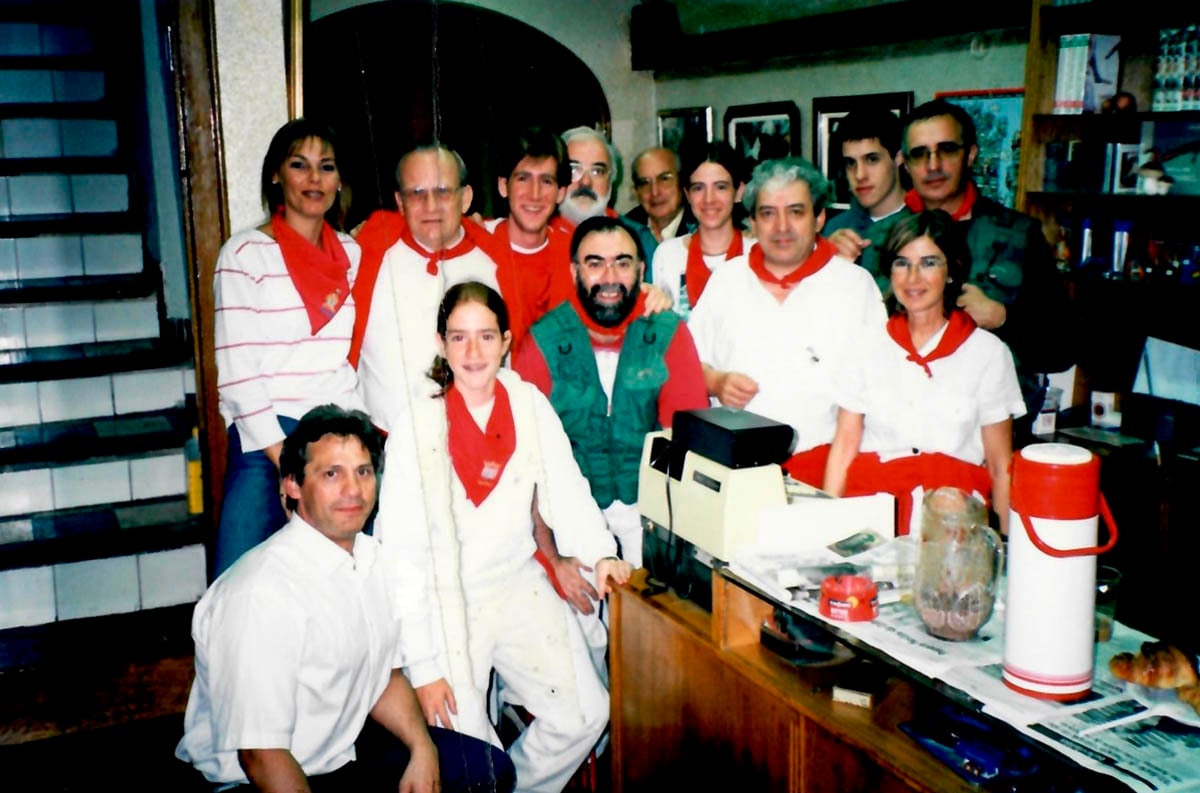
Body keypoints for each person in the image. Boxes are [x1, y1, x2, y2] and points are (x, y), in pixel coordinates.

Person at [374, 282, 633, 793]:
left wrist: (600, 552)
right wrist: (423, 668)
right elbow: (401, 555)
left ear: (507, 341)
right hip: (446, 604)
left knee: (585, 713)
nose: (474, 353)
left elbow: (566, 488)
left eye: (486, 336)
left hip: (517, 586)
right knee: (470, 757)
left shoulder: (528, 402)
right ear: (441, 344)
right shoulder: (418, 424)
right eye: (460, 338)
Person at [177, 404, 515, 792]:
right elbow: (260, 756)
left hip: (338, 755)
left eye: (363, 471)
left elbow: (382, 675)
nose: (353, 490)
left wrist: (423, 750)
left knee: (486, 771)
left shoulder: (372, 560)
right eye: (331, 474)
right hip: (254, 780)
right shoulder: (260, 594)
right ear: (292, 484)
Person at [211, 118, 365, 577]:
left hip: (338, 431)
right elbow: (240, 377)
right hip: (266, 439)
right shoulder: (244, 255)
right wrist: (292, 466)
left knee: (350, 580)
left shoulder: (352, 254)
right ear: (277, 174)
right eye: (299, 165)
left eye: (327, 167)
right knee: (236, 583)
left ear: (340, 181)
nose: (314, 180)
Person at [514, 216, 709, 571]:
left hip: (648, 511)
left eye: (622, 263)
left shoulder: (668, 333)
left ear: (641, 269)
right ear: (574, 272)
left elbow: (688, 442)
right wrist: (554, 559)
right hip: (569, 515)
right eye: (595, 263)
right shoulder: (542, 342)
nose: (609, 278)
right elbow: (527, 463)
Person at [824, 210, 1026, 536]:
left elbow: (1001, 466)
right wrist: (828, 529)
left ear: (951, 270)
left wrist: (1005, 544)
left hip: (953, 522)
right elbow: (844, 446)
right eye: (902, 263)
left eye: (929, 263)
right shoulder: (865, 346)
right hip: (874, 517)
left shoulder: (987, 353)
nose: (913, 277)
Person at [687, 156, 886, 487]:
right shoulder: (727, 280)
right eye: (768, 214)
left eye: (796, 212)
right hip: (736, 473)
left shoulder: (855, 286)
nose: (781, 227)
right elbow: (689, 364)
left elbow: (877, 391)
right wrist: (717, 382)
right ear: (752, 221)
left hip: (828, 471)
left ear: (820, 217)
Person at [898, 99, 1075, 432]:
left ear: (971, 154)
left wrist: (1003, 318)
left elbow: (1061, 348)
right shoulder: (881, 240)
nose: (933, 165)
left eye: (946, 149)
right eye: (920, 154)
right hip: (899, 432)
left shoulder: (1019, 235)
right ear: (905, 164)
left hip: (992, 431)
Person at [350, 144, 519, 434]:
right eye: (417, 193)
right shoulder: (367, 252)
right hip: (381, 446)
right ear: (400, 202)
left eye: (443, 191)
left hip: (471, 445)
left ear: (465, 198)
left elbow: (513, 363)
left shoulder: (496, 263)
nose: (431, 206)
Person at [485, 126, 576, 327]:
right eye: (523, 178)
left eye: (546, 181)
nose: (534, 194)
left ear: (561, 192)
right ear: (503, 185)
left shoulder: (577, 251)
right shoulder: (477, 244)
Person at [650, 141, 750, 317]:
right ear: (687, 194)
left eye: (720, 187)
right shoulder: (668, 255)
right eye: (698, 188)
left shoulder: (757, 252)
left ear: (739, 191)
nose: (709, 199)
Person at [822, 108, 908, 294]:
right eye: (850, 163)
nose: (860, 175)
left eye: (872, 159)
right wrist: (825, 264)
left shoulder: (926, 225)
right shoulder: (833, 229)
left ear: (898, 158)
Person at [552, 125, 659, 274]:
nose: (585, 182)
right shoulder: (534, 238)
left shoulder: (640, 240)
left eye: (597, 171)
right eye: (574, 169)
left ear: (611, 180)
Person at [624, 146, 697, 243]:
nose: (655, 192)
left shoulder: (702, 227)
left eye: (664, 179)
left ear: (681, 182)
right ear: (636, 191)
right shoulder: (625, 230)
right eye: (645, 183)